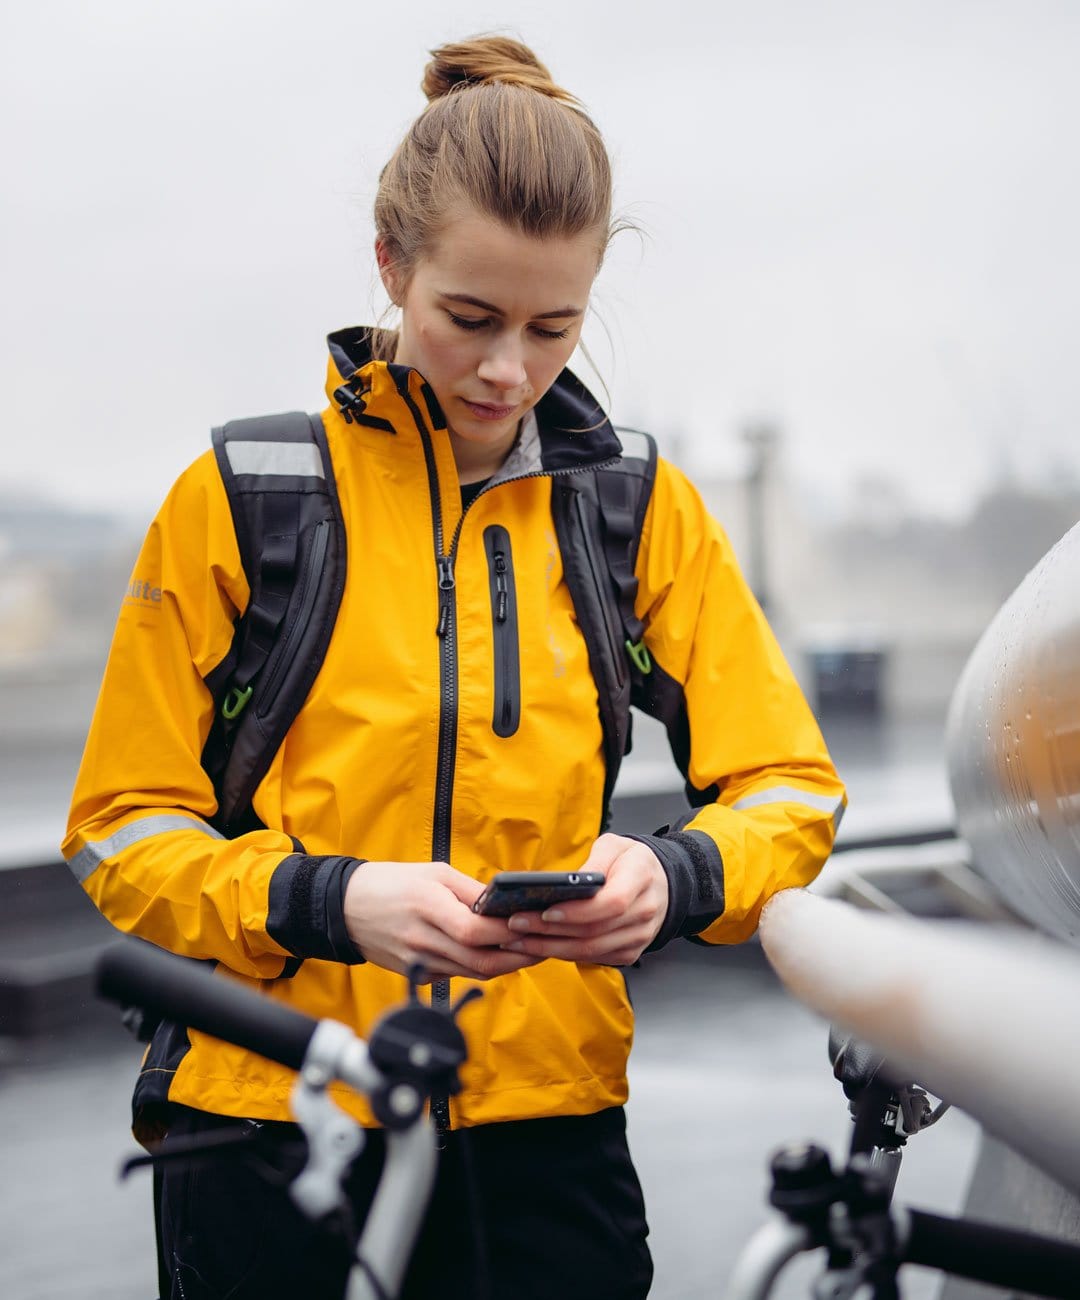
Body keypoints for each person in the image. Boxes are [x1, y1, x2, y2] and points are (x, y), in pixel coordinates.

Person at [63, 34, 846, 1300]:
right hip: (270, 1120)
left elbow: (793, 794)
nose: (507, 369)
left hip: (546, 1138)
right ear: (389, 267)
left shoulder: (635, 511)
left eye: (555, 327)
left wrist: (675, 872)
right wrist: (332, 899)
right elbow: (113, 831)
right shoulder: (240, 501)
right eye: (469, 318)